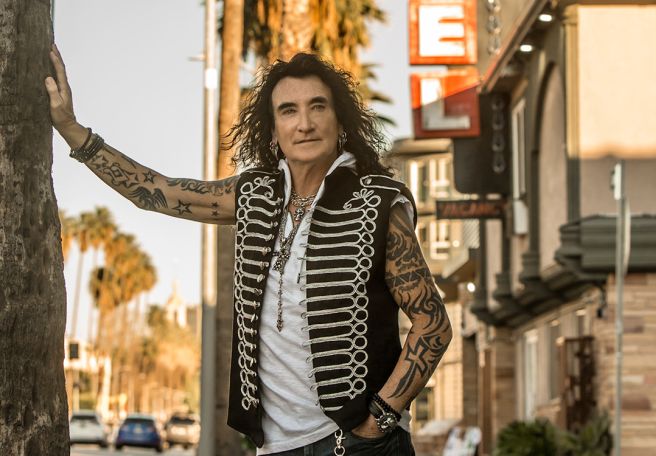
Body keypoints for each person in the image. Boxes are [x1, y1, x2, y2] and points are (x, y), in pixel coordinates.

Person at [46, 44, 452, 455]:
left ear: (339, 120)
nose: (305, 124)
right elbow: (156, 192)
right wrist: (71, 129)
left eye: (318, 107)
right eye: (288, 111)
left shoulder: (378, 203)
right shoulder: (254, 195)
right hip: (274, 445)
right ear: (273, 131)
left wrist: (379, 420)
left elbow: (432, 324)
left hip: (359, 442)